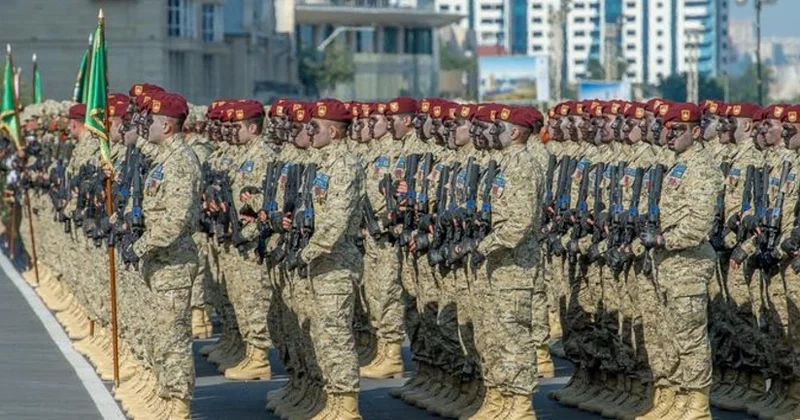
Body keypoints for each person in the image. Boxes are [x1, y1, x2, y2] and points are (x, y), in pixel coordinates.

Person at [634, 102, 721, 420]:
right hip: (666, 264)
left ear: (696, 132)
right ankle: (675, 397)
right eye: (667, 129)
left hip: (688, 263)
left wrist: (661, 240)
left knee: (690, 336)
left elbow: (698, 225)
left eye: (678, 130)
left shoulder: (700, 167)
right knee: (667, 336)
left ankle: (697, 404)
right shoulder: (675, 163)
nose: (669, 135)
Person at [122, 91, 201, 419]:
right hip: (161, 261)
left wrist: (139, 246)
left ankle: (179, 406)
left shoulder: (181, 160)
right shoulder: (167, 157)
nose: (146, 127)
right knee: (160, 333)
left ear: (167, 126)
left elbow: (174, 221)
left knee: (173, 336)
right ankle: (166, 399)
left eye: (151, 121)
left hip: (174, 261)